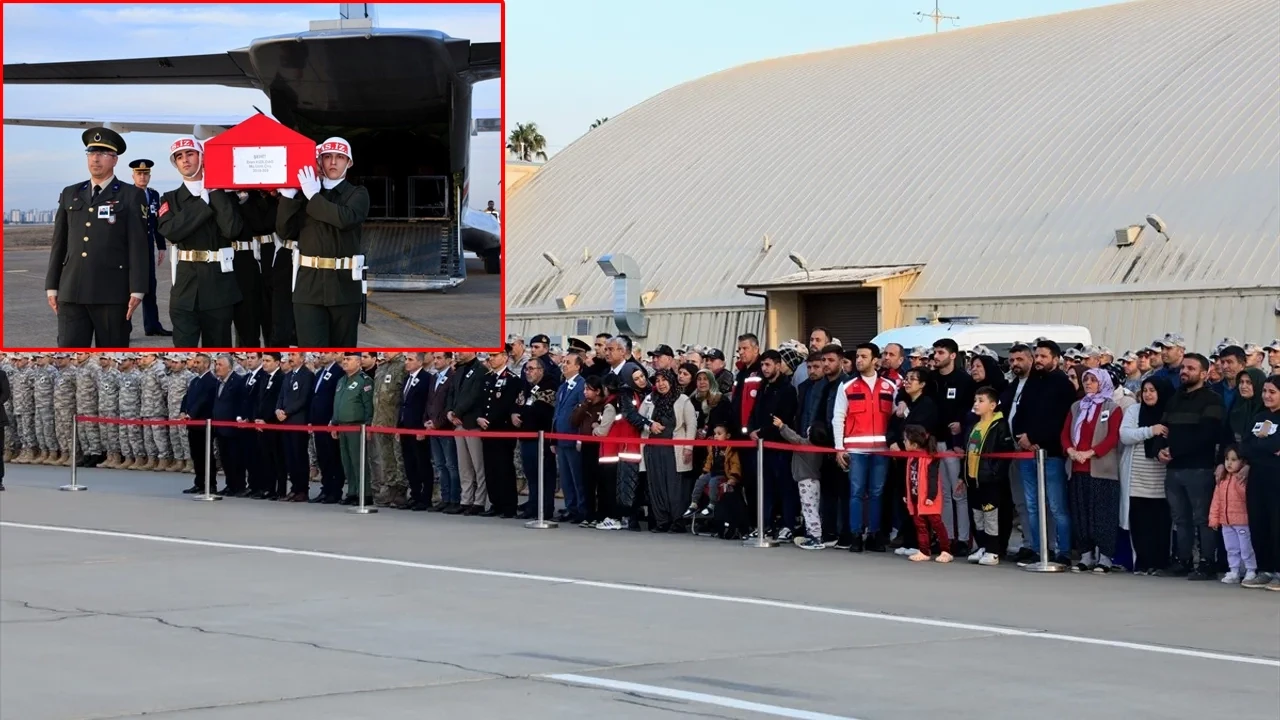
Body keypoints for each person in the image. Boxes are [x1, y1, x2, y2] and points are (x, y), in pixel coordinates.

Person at [47, 127, 148, 347]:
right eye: (91, 153)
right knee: (70, 354)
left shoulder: (131, 195)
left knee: (112, 355)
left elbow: (138, 246)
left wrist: (138, 289)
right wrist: (52, 286)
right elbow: (59, 243)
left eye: (102, 154)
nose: (95, 159)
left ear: (114, 159)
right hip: (72, 291)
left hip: (112, 294)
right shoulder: (70, 193)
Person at [277, 138, 369, 346]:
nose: (333, 162)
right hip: (309, 286)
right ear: (320, 161)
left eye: (340, 157)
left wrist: (313, 195)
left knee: (342, 351)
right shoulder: (305, 194)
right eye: (327, 157)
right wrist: (289, 198)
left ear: (349, 162)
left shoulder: (358, 194)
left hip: (344, 286)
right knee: (310, 350)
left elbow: (344, 219)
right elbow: (285, 231)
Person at [157, 135, 243, 347]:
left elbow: (232, 229)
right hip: (186, 288)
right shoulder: (170, 198)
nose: (185, 160)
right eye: (179, 156)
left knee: (219, 349)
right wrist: (203, 203)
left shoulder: (224, 196)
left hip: (219, 286)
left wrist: (214, 192)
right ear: (175, 163)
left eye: (190, 154)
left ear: (202, 158)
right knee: (184, 350)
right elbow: (171, 231)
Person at [1154, 353, 1225, 581]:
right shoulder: (1174, 399)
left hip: (1199, 469)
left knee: (1202, 518)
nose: (1185, 371)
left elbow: (1206, 434)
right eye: (1183, 367)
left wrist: (1175, 450)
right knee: (1180, 518)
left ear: (1204, 374)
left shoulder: (1212, 400)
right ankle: (1183, 560)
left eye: (1191, 368)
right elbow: (1162, 428)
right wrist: (1159, 449)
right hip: (1173, 469)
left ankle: (1207, 563)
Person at [833, 343, 898, 552]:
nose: (858, 360)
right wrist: (839, 447)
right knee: (857, 492)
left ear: (875, 360)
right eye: (857, 356)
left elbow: (896, 417)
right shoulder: (848, 386)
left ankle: (875, 534)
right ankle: (855, 535)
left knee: (877, 493)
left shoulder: (890, 387)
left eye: (863, 356)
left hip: (882, 450)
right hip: (856, 450)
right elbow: (838, 418)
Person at [1061, 368, 1123, 572]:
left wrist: (1090, 452)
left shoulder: (1112, 408)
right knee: (1081, 513)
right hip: (1077, 468)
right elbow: (1065, 433)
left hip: (1102, 470)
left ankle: (1104, 556)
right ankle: (1086, 555)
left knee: (1103, 514)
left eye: (1093, 380)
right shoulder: (1076, 407)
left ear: (1103, 383)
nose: (1088, 383)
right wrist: (1070, 449)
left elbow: (1113, 437)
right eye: (1085, 380)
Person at [1119, 377, 1174, 574]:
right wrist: (1151, 430)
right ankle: (1141, 562)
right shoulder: (1135, 410)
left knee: (1160, 522)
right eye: (1145, 390)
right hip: (1136, 478)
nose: (1148, 394)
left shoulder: (1170, 411)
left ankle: (1159, 563)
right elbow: (1125, 435)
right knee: (1139, 521)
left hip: (1160, 478)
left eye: (1153, 390)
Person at [965, 386, 1014, 566]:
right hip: (974, 479)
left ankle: (994, 550)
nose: (976, 404)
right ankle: (982, 546)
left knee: (990, 516)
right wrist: (964, 477)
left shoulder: (999, 425)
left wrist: (994, 473)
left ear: (992, 405)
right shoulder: (975, 426)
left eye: (981, 401)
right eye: (975, 400)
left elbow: (1005, 453)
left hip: (990, 481)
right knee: (977, 515)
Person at [1240, 375, 1280, 590]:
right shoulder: (1260, 416)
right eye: (1265, 391)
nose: (1266, 396)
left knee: (1277, 525)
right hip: (1258, 477)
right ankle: (1265, 569)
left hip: (1277, 478)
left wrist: (1263, 443)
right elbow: (1245, 446)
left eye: (1272, 392)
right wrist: (1266, 445)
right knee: (1259, 523)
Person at [127, 159, 172, 338]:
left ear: (150, 176)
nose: (143, 176)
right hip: (130, 249)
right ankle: (125, 328)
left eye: (146, 174)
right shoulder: (127, 194)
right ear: (133, 176)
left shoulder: (154, 195)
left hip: (147, 248)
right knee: (129, 289)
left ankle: (152, 326)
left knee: (150, 287)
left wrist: (161, 247)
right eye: (139, 173)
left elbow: (156, 223)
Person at [773, 414, 828, 549]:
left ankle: (815, 537)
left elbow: (793, 437)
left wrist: (782, 426)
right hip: (815, 482)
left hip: (805, 482)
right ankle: (813, 534)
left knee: (809, 510)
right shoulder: (820, 448)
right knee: (813, 508)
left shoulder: (804, 445)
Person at [902, 425, 952, 563]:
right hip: (915, 498)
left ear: (914, 443)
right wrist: (907, 494)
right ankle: (924, 551)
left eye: (905, 440)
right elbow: (908, 477)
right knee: (920, 525)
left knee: (936, 523)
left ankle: (946, 550)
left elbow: (933, 479)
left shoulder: (930, 458)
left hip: (929, 498)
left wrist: (931, 496)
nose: (903, 442)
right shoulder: (911, 457)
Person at [331, 353, 374, 504]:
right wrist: (334, 422)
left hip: (357, 426)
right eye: (344, 359)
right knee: (346, 461)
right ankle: (352, 491)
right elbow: (338, 403)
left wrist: (368, 425)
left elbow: (368, 406)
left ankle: (364, 493)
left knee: (358, 461)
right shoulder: (342, 381)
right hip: (342, 425)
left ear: (358, 362)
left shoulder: (364, 381)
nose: (345, 362)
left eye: (348, 359)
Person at [1210, 447, 1254, 585]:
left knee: (1246, 547)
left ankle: (1250, 569)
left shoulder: (1243, 479)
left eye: (1234, 460)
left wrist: (1239, 483)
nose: (1229, 463)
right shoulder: (1222, 479)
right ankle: (1234, 570)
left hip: (1242, 521)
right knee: (1231, 547)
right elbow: (1216, 501)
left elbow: (1246, 498)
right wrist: (1214, 519)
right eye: (1227, 459)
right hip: (1226, 522)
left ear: (1242, 462)